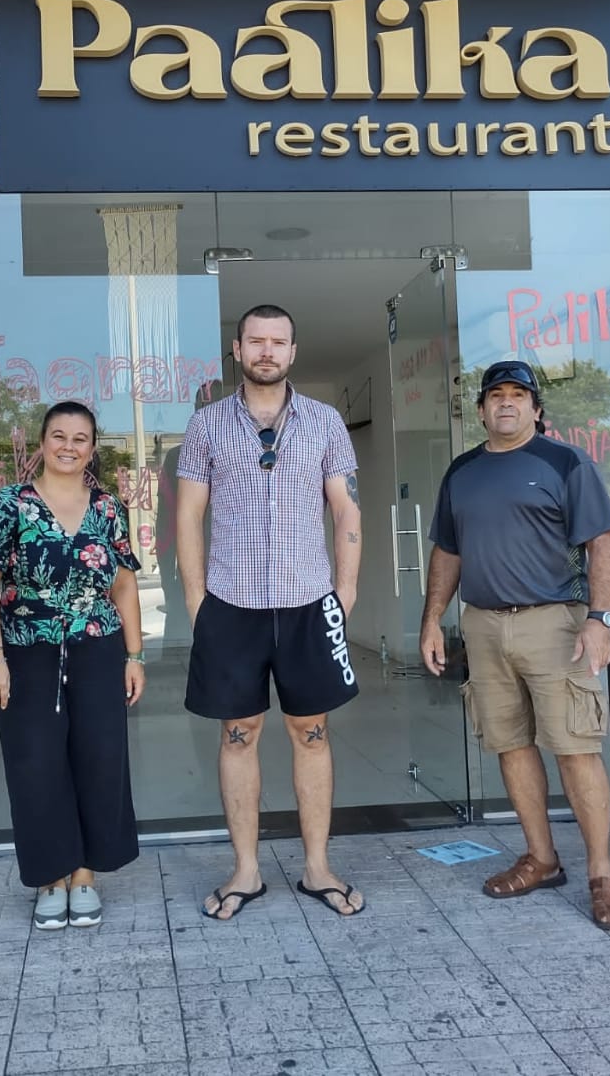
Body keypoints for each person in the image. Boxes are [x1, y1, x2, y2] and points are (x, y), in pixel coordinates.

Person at [419, 359, 610, 931]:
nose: (507, 403)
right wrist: (432, 619)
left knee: (574, 748)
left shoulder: (565, 463)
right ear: (482, 410)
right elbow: (448, 551)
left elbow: (602, 545)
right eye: (497, 396)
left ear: (537, 409)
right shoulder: (462, 472)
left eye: (519, 395)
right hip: (484, 626)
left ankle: (603, 875)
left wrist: (600, 619)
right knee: (511, 745)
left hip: (555, 623)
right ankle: (541, 858)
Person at [177, 304, 366, 920]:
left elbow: (346, 509)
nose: (266, 351)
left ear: (292, 352)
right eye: (255, 341)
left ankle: (318, 868)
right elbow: (188, 517)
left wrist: (345, 590)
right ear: (237, 350)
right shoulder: (206, 424)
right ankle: (246, 871)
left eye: (277, 342)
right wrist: (197, 601)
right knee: (239, 734)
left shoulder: (324, 421)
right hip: (231, 605)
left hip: (309, 602)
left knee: (311, 733)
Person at [0, 400, 147, 931]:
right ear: (42, 443)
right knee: (36, 765)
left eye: (80, 438)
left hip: (98, 649)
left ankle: (85, 873)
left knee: (99, 760)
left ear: (92, 449)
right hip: (27, 652)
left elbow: (124, 583)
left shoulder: (108, 509)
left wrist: (135, 655)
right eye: (59, 436)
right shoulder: (11, 504)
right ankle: (51, 876)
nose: (69, 447)